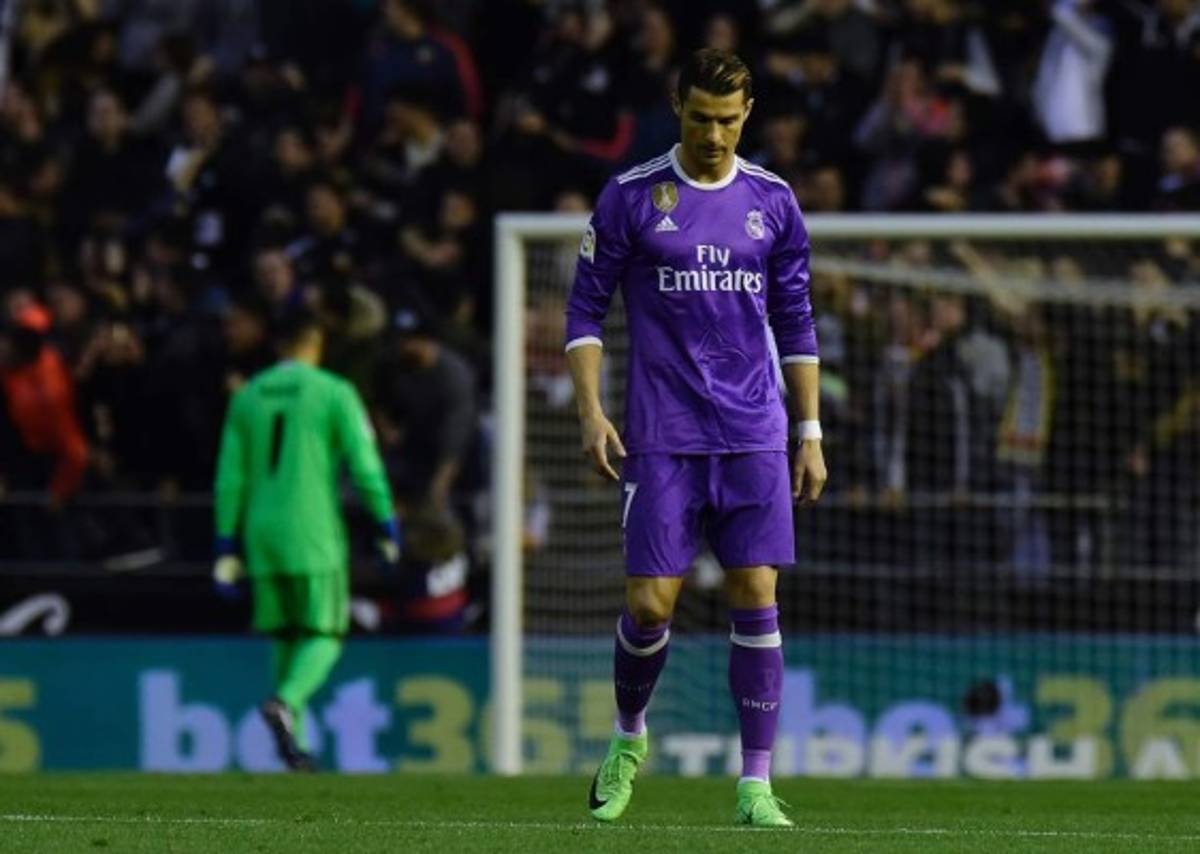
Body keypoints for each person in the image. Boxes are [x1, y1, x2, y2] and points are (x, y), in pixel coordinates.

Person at [565, 48, 825, 828]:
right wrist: (589, 409)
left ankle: (754, 786)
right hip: (663, 431)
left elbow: (797, 322)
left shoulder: (774, 202)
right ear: (677, 108)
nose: (714, 134)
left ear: (748, 115)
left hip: (753, 430)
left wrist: (809, 431)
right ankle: (628, 738)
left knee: (757, 593)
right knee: (650, 605)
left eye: (728, 119)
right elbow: (584, 312)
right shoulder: (631, 197)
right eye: (700, 118)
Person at [212, 309, 402, 771]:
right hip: (312, 531)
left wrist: (225, 543)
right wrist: (385, 523)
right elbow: (365, 464)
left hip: (261, 533)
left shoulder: (248, 396)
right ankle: (286, 702)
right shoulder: (334, 392)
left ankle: (289, 745)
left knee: (285, 633)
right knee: (326, 632)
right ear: (316, 343)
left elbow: (229, 477)